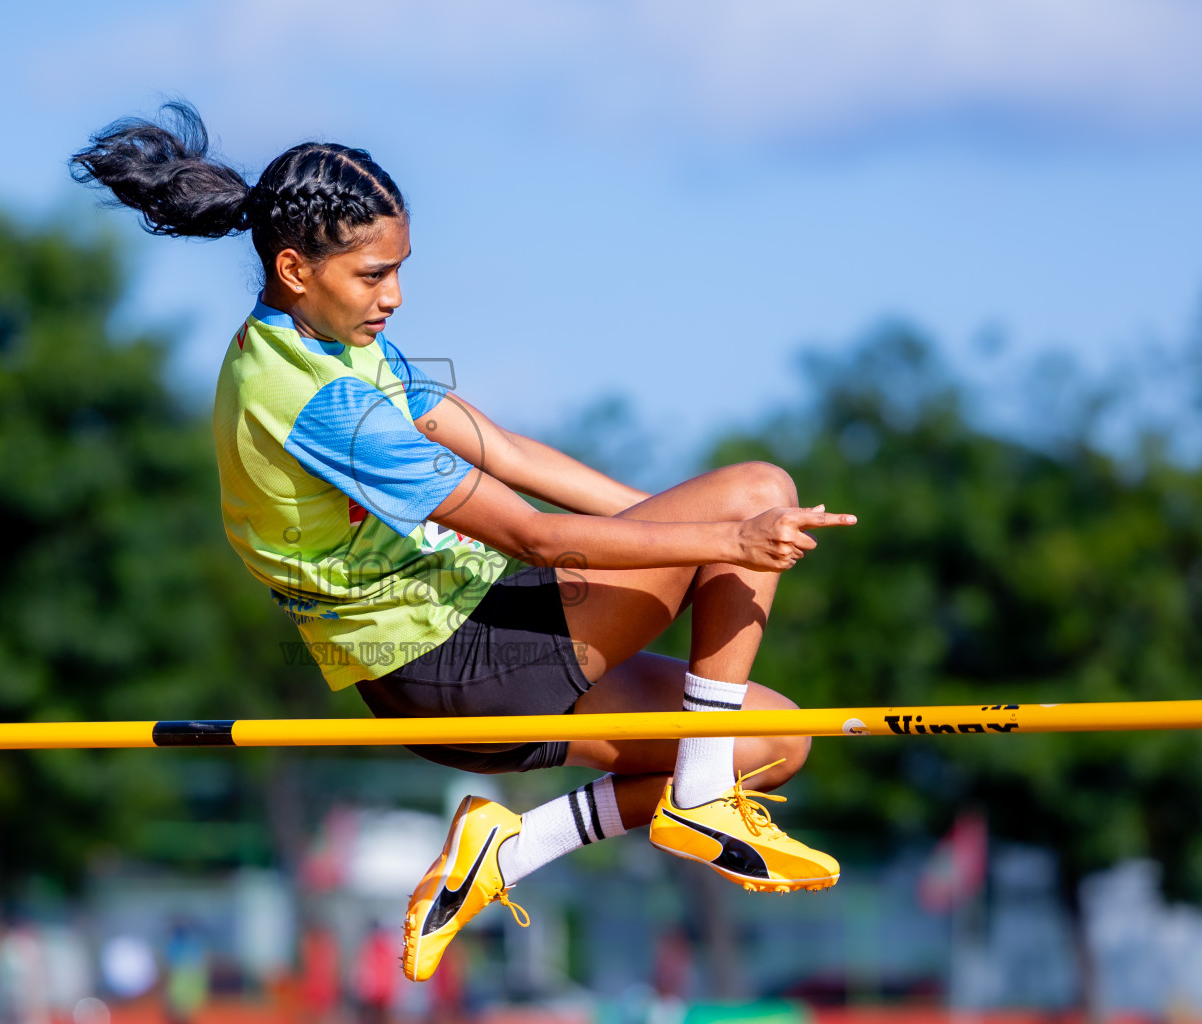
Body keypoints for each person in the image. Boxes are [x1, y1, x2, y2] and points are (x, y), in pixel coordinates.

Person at [71, 101, 858, 985]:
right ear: (294, 269)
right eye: (374, 275)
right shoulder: (316, 399)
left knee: (773, 740)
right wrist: (724, 532)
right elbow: (533, 535)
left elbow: (508, 452)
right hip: (455, 665)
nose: (394, 297)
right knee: (759, 486)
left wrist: (698, 539)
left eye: (400, 271)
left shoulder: (330, 346)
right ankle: (703, 796)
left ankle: (508, 848)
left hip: (473, 645)